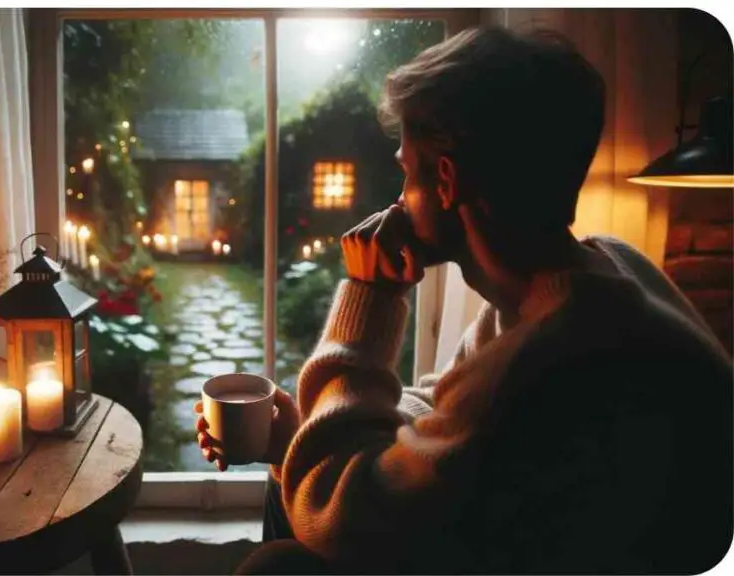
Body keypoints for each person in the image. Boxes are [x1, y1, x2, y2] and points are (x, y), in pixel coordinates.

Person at [194, 25, 733, 574]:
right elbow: (439, 411)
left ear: (447, 181)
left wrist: (370, 295)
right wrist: (307, 424)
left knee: (274, 569)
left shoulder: (546, 361)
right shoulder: (596, 271)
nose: (398, 198)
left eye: (405, 171)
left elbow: (338, 514)